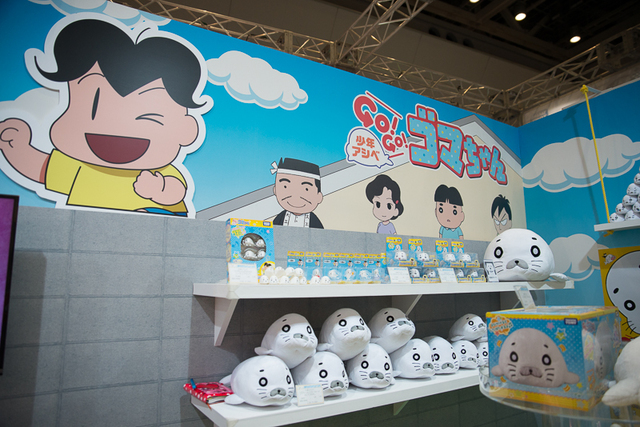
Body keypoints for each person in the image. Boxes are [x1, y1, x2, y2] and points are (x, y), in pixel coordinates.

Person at [0, 18, 210, 216]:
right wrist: (15, 146)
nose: (119, 128)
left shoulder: (160, 171)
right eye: (92, 108)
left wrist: (159, 188)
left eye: (149, 117)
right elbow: (41, 169)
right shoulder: (79, 166)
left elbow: (175, 192)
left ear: (187, 129)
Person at [271, 158, 324, 228]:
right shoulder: (281, 217)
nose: (295, 196)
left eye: (306, 189)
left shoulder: (314, 220)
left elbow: (320, 233)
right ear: (275, 190)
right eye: (285, 186)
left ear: (319, 197)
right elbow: (273, 230)